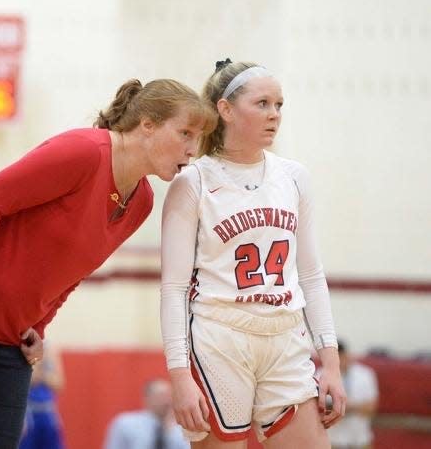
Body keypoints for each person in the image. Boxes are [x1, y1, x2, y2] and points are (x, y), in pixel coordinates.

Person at [0, 78, 216, 449]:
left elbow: (73, 270)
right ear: (148, 125)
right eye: (186, 133)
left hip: (7, 336)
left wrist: (38, 326)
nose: (192, 149)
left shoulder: (141, 201)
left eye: (198, 139)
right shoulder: (84, 151)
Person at [160, 59, 347, 448]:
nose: (274, 115)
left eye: (279, 105)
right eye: (262, 104)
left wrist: (330, 360)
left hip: (284, 336)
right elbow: (174, 289)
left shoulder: (294, 177)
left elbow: (311, 275)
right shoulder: (193, 181)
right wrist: (179, 375)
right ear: (225, 110)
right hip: (219, 337)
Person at [104, 379, 189, 449]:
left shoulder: (182, 428)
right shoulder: (125, 423)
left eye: (169, 396)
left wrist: (170, 431)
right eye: (161, 396)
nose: (167, 401)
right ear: (147, 398)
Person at [327, 341, 378, 449]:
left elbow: (372, 407)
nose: (340, 361)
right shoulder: (321, 375)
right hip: (334, 440)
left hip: (360, 438)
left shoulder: (366, 374)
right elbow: (318, 409)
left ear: (347, 354)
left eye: (342, 357)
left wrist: (347, 407)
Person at [19, 341, 65, 449]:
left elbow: (59, 384)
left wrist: (41, 372)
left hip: (47, 412)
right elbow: (29, 379)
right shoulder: (24, 346)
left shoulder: (50, 349)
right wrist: (40, 364)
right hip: (28, 414)